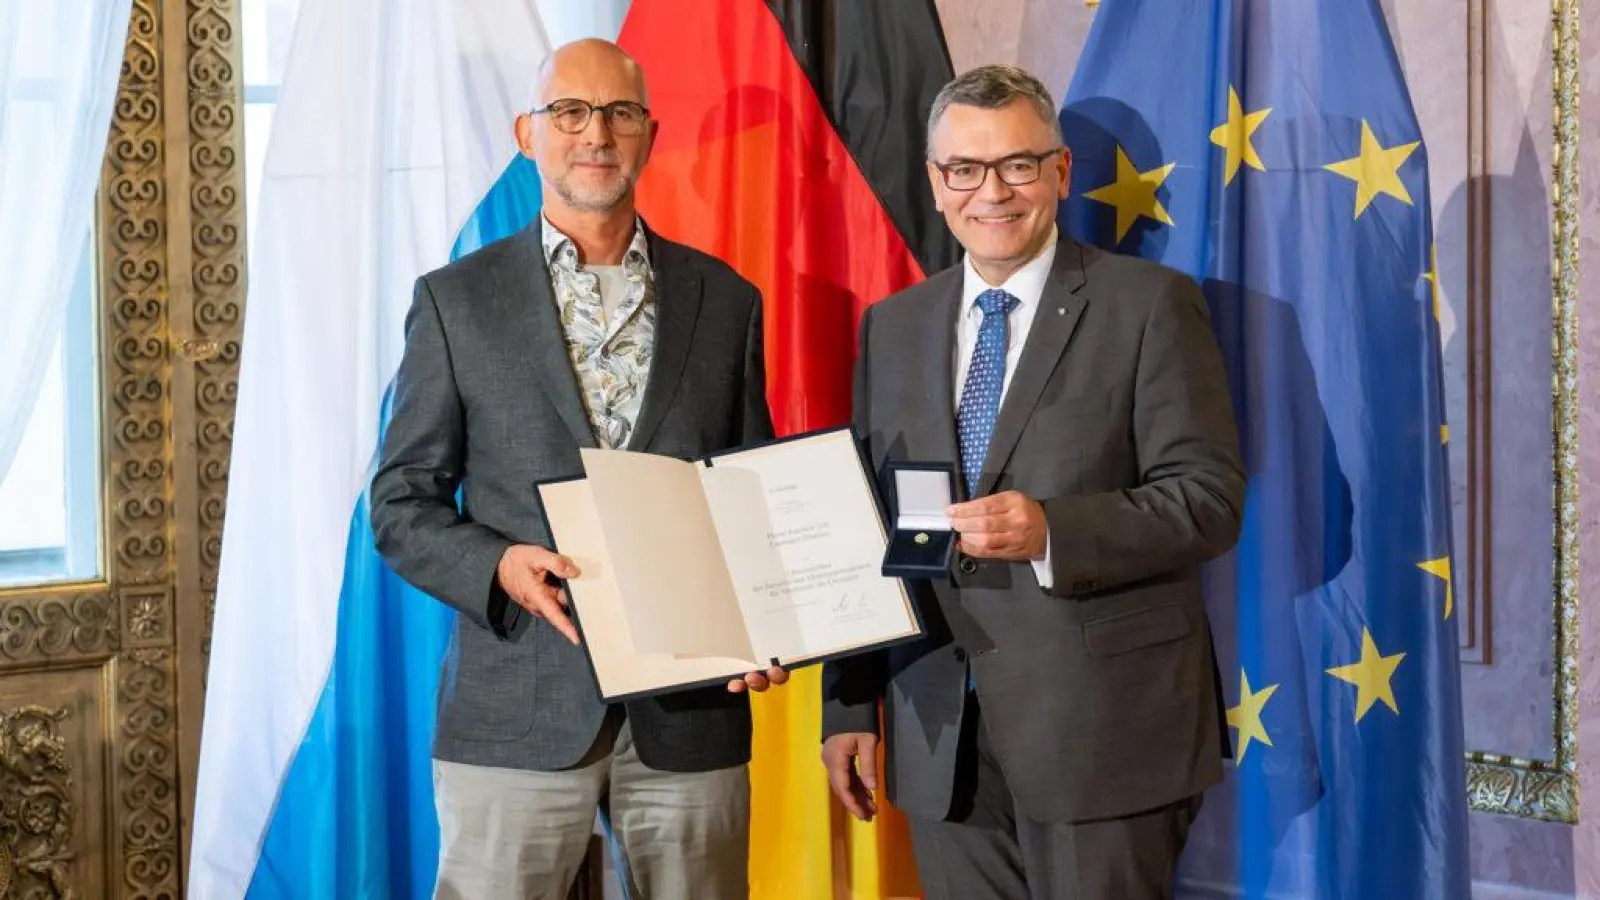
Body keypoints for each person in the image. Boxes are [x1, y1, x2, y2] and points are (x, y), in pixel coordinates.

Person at [371, 38, 786, 900]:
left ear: (649, 134)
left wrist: (769, 624)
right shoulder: (457, 301)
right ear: (529, 133)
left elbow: (748, 496)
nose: (595, 132)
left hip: (690, 713)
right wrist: (496, 564)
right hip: (515, 711)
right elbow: (399, 503)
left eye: (619, 112)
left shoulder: (727, 301)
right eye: (570, 112)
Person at [820, 64, 1245, 900]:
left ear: (1060, 172)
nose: (993, 192)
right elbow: (872, 527)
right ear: (937, 184)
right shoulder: (895, 326)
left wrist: (1053, 530)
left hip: (1104, 740)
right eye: (966, 170)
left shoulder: (1151, 306)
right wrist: (847, 705)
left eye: (1018, 164)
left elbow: (1208, 498)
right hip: (939, 731)